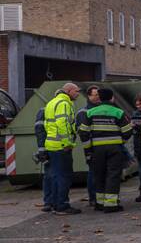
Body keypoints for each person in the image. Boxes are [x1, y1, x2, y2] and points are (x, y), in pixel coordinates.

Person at [78, 88, 132, 212]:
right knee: (113, 175)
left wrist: (88, 149)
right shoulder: (118, 112)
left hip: (97, 149)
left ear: (100, 98)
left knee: (99, 174)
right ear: (112, 98)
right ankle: (111, 204)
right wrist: (120, 141)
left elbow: (83, 133)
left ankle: (100, 203)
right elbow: (128, 131)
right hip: (114, 149)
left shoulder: (90, 112)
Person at [43, 83, 81, 215]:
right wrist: (67, 143)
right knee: (64, 176)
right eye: (76, 91)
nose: (78, 94)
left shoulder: (51, 103)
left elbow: (46, 124)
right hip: (61, 146)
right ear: (69, 91)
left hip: (52, 145)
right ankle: (62, 205)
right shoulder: (64, 103)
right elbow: (63, 123)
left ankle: (55, 204)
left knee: (55, 176)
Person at [74, 85, 100, 207]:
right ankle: (93, 198)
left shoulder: (102, 109)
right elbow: (83, 134)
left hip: (102, 147)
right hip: (92, 148)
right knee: (93, 173)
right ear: (89, 96)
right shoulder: (83, 113)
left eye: (99, 95)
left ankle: (101, 197)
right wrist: (88, 151)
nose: (98, 97)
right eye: (95, 95)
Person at [33, 108, 54, 212]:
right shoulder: (45, 111)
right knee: (50, 175)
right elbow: (40, 130)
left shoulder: (45, 110)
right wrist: (42, 150)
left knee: (51, 175)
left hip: (55, 148)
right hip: (53, 148)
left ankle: (51, 202)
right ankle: (50, 202)